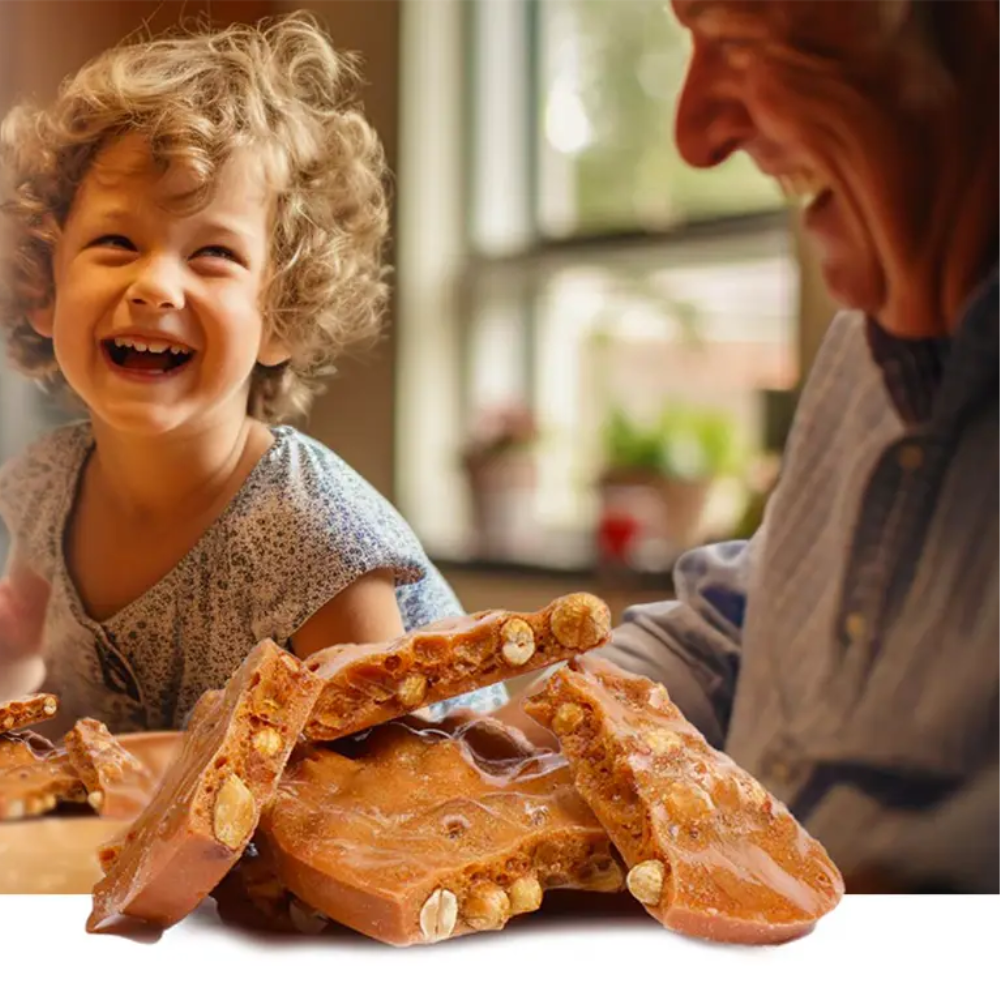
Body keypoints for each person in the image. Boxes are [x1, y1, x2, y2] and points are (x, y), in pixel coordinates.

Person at [504, 0, 998, 893]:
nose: (695, 137)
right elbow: (742, 635)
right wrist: (504, 743)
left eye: (734, 38)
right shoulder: (867, 337)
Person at [0, 13, 506, 734]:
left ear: (283, 317)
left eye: (213, 255)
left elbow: (387, 783)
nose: (156, 287)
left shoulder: (316, 536)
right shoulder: (44, 488)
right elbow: (22, 672)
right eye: (116, 242)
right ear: (43, 291)